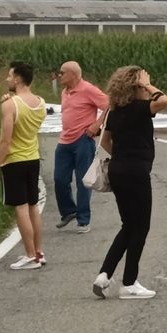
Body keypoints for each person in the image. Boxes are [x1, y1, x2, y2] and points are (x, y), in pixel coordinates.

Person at [92, 66, 167, 299]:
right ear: (136, 88)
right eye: (143, 86)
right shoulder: (140, 108)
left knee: (128, 225)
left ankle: (104, 274)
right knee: (141, 227)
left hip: (118, 170)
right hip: (136, 173)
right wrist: (147, 84)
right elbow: (164, 100)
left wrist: (123, 156)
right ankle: (129, 283)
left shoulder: (116, 111)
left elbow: (105, 140)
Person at [0, 61, 47, 270]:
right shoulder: (40, 102)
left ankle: (30, 255)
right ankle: (38, 252)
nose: (7, 79)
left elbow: (5, 140)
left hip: (15, 161)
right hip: (33, 158)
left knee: (20, 208)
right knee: (33, 207)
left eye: (10, 76)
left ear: (18, 79)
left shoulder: (10, 105)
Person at [54, 61, 109, 234]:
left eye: (62, 73)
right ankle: (69, 211)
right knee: (60, 179)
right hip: (64, 141)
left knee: (83, 181)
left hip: (83, 140)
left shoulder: (88, 89)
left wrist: (97, 124)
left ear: (73, 74)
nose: (59, 75)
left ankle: (83, 220)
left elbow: (109, 105)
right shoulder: (65, 91)